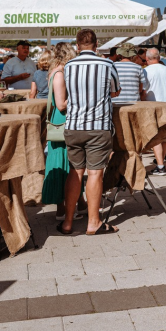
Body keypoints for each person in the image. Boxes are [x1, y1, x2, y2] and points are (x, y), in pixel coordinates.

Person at [57, 29, 121, 235]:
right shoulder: (107, 64)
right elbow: (115, 91)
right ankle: (93, 222)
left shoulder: (68, 66)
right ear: (96, 45)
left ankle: (68, 221)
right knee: (94, 173)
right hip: (97, 125)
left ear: (77, 45)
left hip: (74, 125)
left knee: (75, 171)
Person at [43, 43, 83, 218]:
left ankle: (74, 205)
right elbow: (61, 105)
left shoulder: (55, 72)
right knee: (64, 165)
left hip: (60, 122)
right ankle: (63, 210)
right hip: (62, 122)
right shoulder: (60, 74)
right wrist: (79, 96)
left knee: (65, 164)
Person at [143, 48, 166, 176]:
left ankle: (160, 167)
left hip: (152, 108)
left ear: (147, 59)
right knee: (164, 137)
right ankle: (160, 163)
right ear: (159, 58)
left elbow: (142, 92)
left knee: (156, 138)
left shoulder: (145, 71)